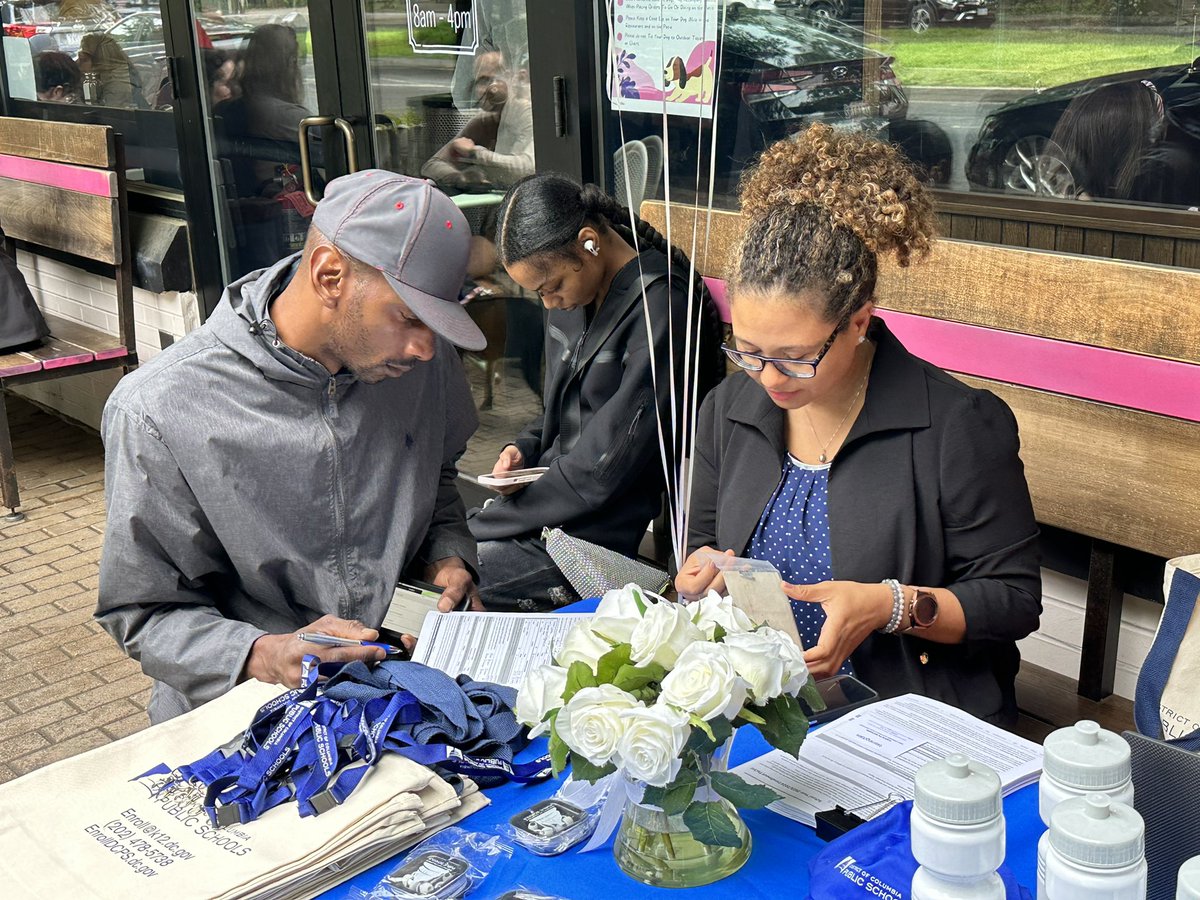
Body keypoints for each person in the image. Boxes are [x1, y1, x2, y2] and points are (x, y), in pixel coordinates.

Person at [674, 125, 1041, 727]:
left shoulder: (955, 425)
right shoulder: (730, 406)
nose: (769, 378)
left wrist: (890, 606)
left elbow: (1013, 601)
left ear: (858, 321)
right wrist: (700, 572)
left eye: (795, 356)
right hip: (761, 701)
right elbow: (705, 540)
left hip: (907, 712)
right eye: (747, 349)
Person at [96, 171, 487, 723]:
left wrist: (448, 555)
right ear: (330, 275)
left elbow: (439, 476)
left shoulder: (420, 361)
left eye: (439, 322)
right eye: (408, 317)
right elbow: (143, 610)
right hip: (244, 718)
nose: (427, 347)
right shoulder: (159, 409)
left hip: (398, 692)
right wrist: (263, 654)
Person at [467, 174, 725, 610]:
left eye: (551, 288)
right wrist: (524, 448)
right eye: (538, 294)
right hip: (550, 511)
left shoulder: (660, 310)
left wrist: (491, 521)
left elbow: (603, 473)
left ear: (589, 242)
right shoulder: (578, 296)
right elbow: (559, 408)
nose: (548, 303)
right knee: (441, 565)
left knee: (457, 582)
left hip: (593, 540)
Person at [76, 32, 142, 108]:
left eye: (83, 60)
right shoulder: (101, 81)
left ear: (100, 63)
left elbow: (110, 115)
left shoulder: (117, 87)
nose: (77, 63)